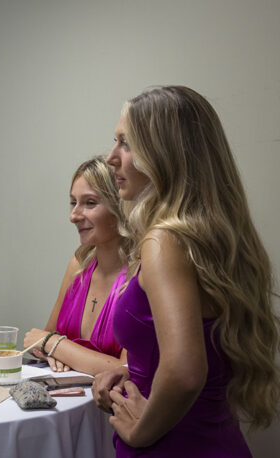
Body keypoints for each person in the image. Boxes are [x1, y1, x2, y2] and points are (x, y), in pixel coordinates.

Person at [92, 86, 280, 456]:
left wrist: (142, 432)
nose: (111, 157)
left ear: (164, 154)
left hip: (175, 445)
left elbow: (185, 371)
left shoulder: (165, 242)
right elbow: (199, 352)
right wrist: (138, 370)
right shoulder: (209, 238)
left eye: (126, 143)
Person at [23, 157, 130, 375]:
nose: (73, 216)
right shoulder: (78, 268)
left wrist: (57, 346)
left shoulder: (140, 275)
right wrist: (51, 348)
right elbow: (39, 341)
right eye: (73, 203)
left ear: (119, 206)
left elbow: (127, 369)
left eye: (90, 203)